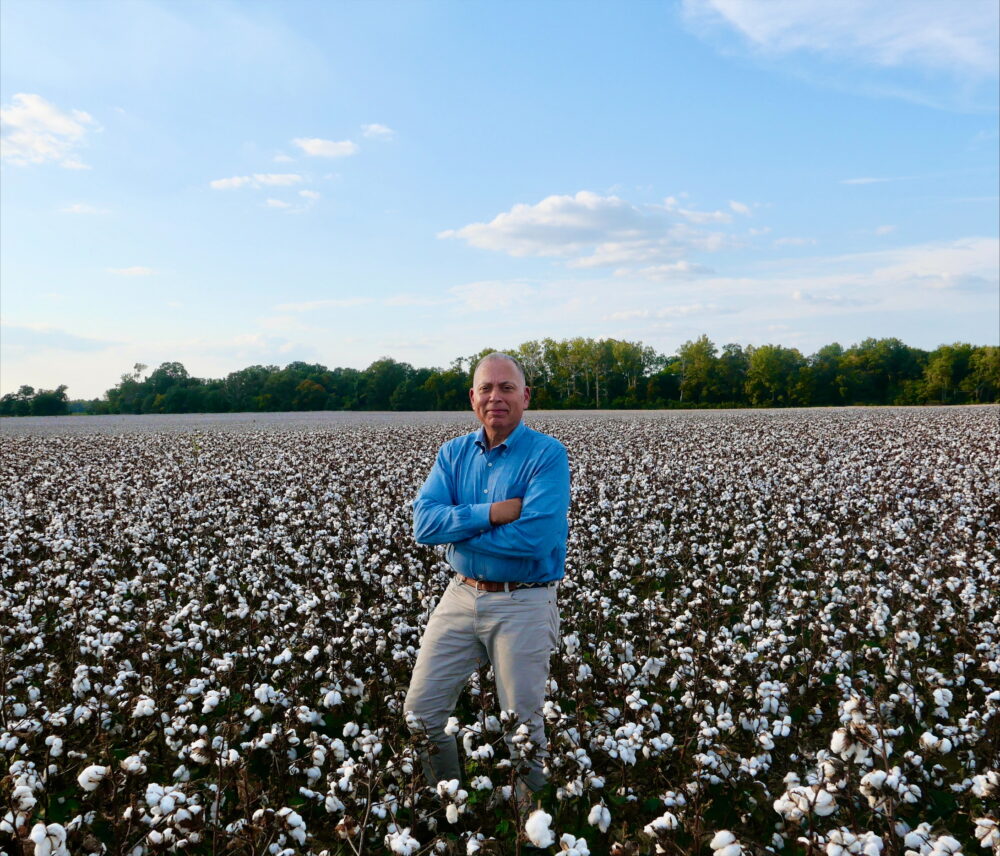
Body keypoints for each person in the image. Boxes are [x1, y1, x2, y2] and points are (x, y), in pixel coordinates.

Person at [404, 352, 570, 806]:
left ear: (525, 397)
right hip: (460, 596)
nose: (496, 397)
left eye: (507, 388)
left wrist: (459, 537)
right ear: (473, 397)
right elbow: (424, 525)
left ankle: (526, 822)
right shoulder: (453, 454)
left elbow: (535, 539)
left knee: (523, 725)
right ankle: (449, 804)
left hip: (524, 601)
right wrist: (494, 513)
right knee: (421, 714)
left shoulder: (547, 456)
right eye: (487, 388)